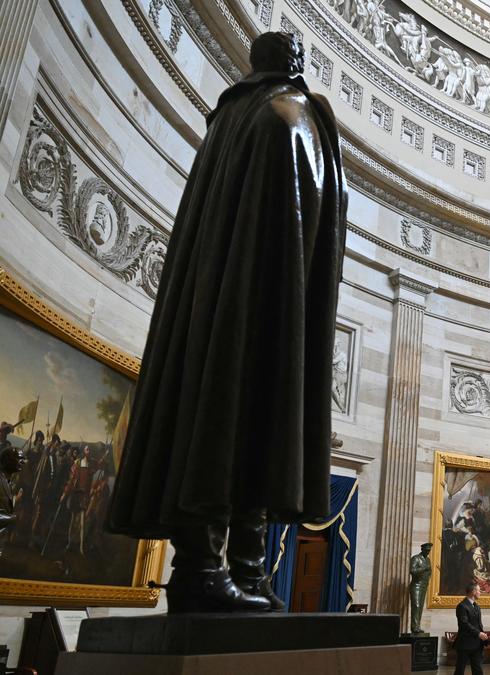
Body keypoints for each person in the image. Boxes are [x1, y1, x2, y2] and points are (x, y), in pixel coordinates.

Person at [106, 30, 346, 613]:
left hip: (249, 297)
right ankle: (205, 568)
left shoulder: (244, 117)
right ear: (285, 64)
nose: (297, 62)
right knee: (235, 413)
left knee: (257, 416)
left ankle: (246, 568)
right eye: (292, 56)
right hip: (254, 296)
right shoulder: (279, 115)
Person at [455, 581, 488, 675]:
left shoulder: (476, 606)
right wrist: (478, 633)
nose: (480, 592)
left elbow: (478, 624)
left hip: (477, 644)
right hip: (465, 643)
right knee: (460, 670)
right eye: (479, 590)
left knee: (478, 670)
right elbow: (464, 624)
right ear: (473, 592)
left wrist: (482, 634)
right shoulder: (462, 606)